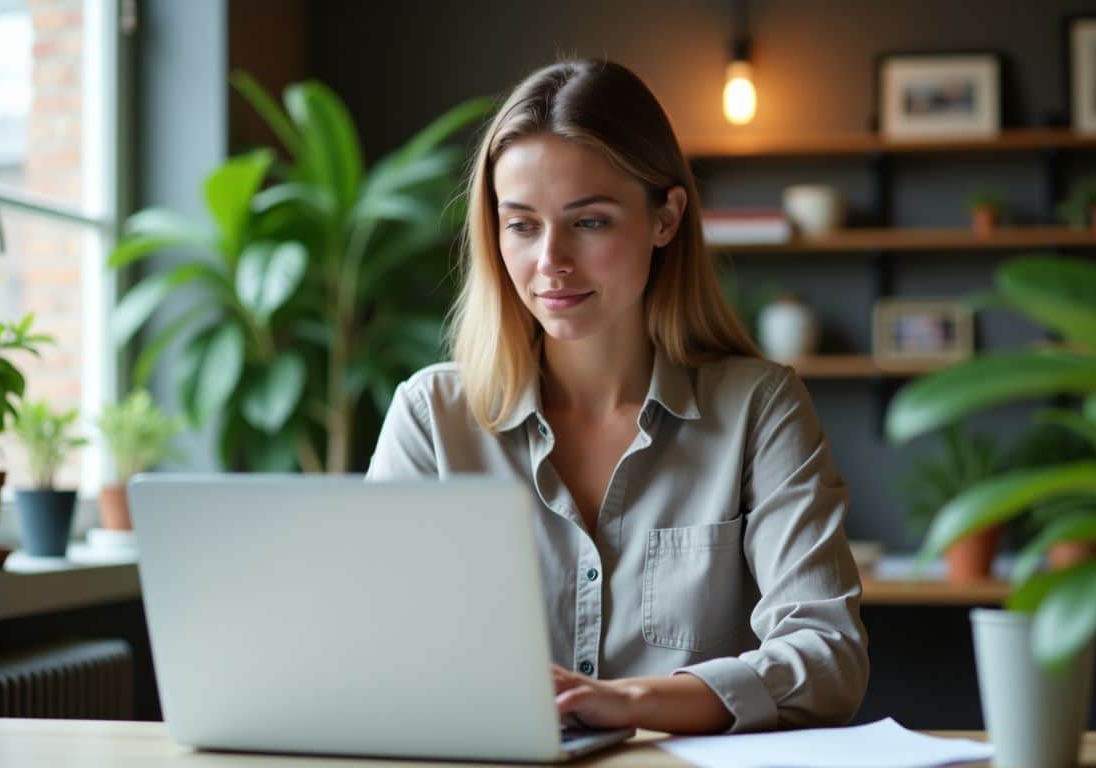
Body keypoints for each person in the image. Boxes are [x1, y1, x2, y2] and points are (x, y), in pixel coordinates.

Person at [366, 58, 868, 735]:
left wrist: (631, 702)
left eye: (590, 222)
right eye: (521, 225)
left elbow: (828, 655)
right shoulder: (432, 420)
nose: (551, 262)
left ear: (665, 218)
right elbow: (369, 654)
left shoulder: (759, 409)